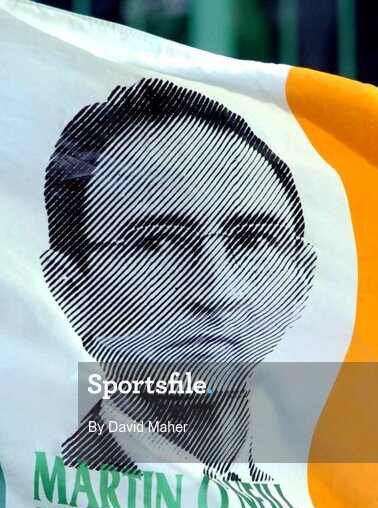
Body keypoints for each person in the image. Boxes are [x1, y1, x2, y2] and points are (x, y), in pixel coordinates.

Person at [41, 78, 315, 480]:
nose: (219, 291)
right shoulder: (7, 507)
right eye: (157, 242)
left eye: (252, 240)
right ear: (68, 285)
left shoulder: (332, 501)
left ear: (301, 280)